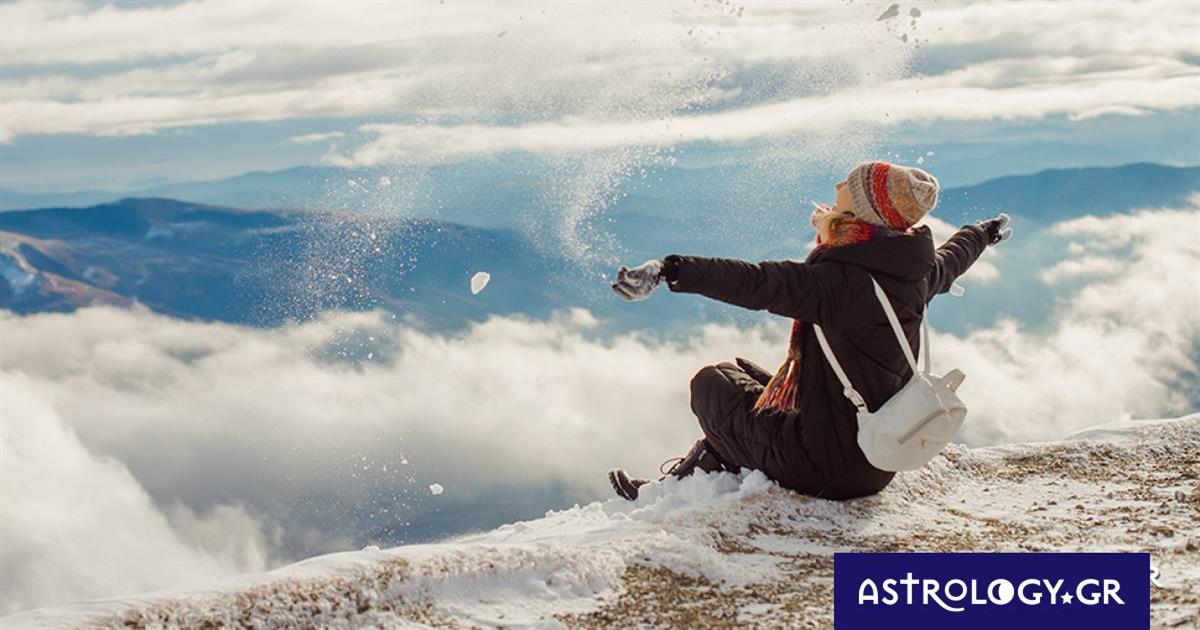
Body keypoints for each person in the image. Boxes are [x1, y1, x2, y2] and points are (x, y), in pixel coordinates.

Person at [607, 161, 1013, 501]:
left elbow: (756, 282)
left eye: (850, 187)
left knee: (711, 384)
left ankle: (675, 488)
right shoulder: (914, 273)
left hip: (827, 468)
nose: (838, 186)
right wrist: (983, 233)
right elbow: (953, 257)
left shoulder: (839, 284)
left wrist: (669, 270)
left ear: (867, 211)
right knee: (748, 381)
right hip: (877, 457)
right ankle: (697, 472)